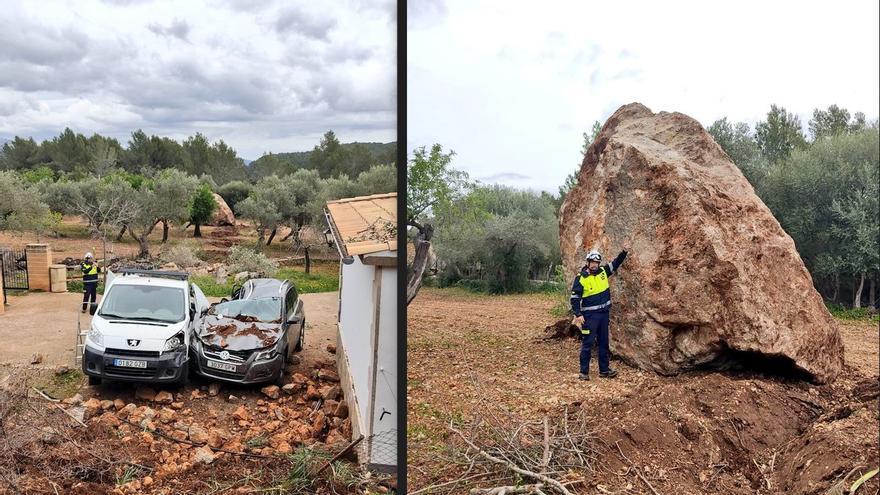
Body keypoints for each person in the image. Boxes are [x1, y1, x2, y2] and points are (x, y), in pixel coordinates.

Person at [570, 245, 629, 380]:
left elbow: (615, 263)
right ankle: (584, 372)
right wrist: (578, 314)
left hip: (604, 315)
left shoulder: (603, 272)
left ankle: (604, 370)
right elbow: (575, 298)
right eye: (592, 262)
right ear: (588, 262)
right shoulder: (581, 278)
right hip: (589, 317)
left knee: (604, 343)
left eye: (597, 263)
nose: (595, 265)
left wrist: (624, 252)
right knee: (588, 343)